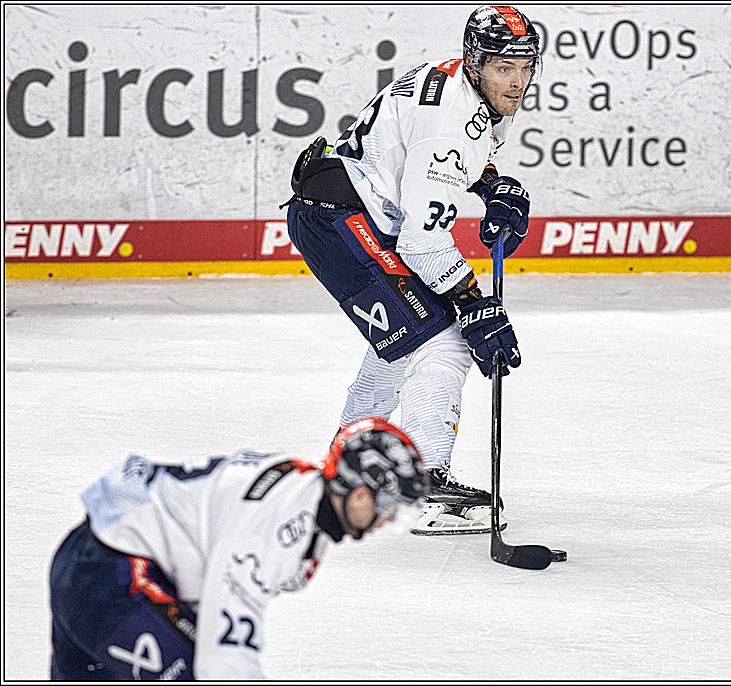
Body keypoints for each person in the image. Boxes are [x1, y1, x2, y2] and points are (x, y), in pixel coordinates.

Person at [282, 6, 541, 534]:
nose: (517, 81)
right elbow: (424, 243)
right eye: (503, 68)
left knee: (403, 339)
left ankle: (350, 463)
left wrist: (491, 185)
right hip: (344, 223)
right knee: (444, 339)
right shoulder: (453, 120)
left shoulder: (462, 85)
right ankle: (420, 484)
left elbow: (456, 157)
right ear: (477, 63)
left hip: (339, 212)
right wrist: (474, 304)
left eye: (525, 67)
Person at [48, 417, 426, 680]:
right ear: (358, 493)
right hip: (112, 581)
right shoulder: (278, 530)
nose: (388, 519)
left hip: (88, 560)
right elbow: (223, 660)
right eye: (386, 505)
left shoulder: (304, 493)